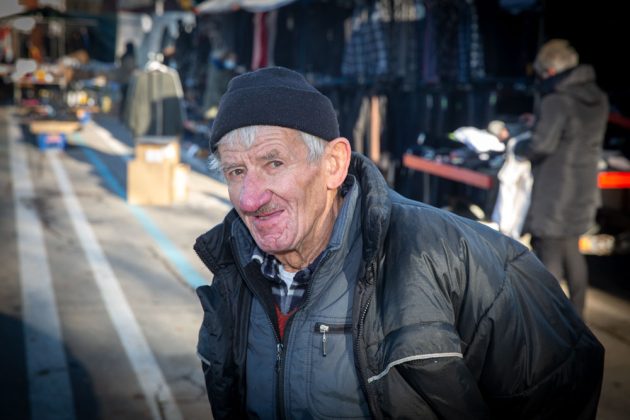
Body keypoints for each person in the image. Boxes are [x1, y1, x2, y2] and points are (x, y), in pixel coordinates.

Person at [193, 66, 605, 419]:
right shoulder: (232, 271)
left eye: (274, 163)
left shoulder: (444, 254)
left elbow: (562, 372)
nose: (250, 199)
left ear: (333, 164)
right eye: (235, 172)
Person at [514, 39, 609, 318]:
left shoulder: (557, 99)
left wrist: (518, 145)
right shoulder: (598, 97)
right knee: (572, 249)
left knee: (550, 256)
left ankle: (551, 322)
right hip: (583, 186)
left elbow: (541, 145)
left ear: (551, 71)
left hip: (556, 191)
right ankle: (577, 319)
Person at [117, 42, 137, 119]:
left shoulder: (124, 57)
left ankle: (122, 115)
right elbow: (130, 69)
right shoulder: (129, 58)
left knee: (124, 99)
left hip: (123, 80)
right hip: (127, 81)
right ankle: (123, 116)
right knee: (126, 100)